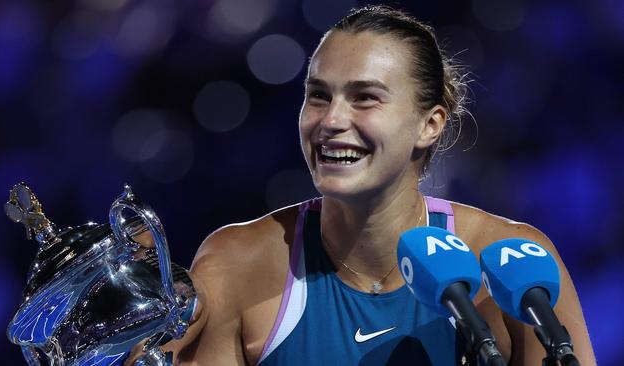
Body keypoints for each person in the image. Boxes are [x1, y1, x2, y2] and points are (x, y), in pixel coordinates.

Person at [128, 5, 596, 365]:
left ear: (429, 125)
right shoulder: (238, 264)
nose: (331, 120)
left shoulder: (510, 267)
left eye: (364, 98)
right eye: (318, 95)